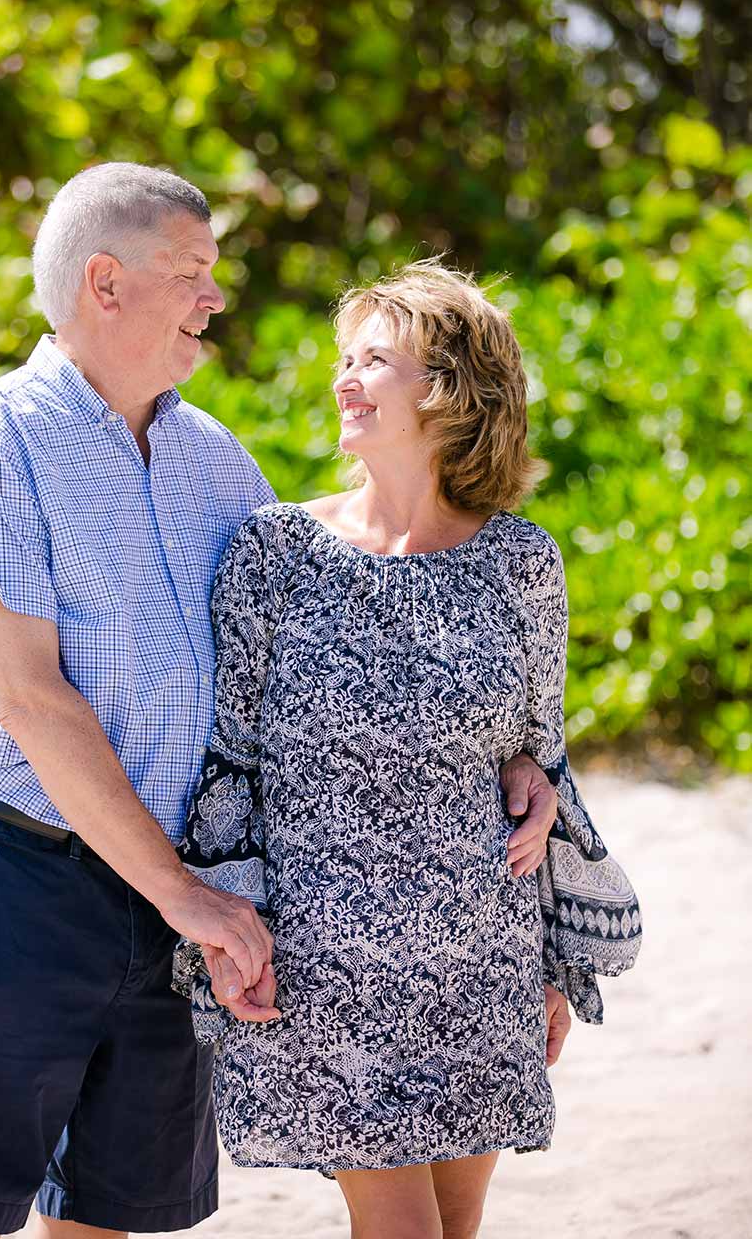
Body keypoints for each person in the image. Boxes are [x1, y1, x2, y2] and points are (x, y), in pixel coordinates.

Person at [0, 163, 561, 1239]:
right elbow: (30, 697)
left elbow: (328, 659)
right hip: (19, 870)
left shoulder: (216, 463)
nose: (215, 298)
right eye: (192, 273)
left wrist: (509, 753)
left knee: (110, 1209)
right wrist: (191, 900)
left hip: (175, 890)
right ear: (105, 284)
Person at [176, 259, 642, 1239]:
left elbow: (544, 764)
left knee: (452, 1230)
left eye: (375, 359)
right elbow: (232, 768)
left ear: (449, 392)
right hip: (326, 969)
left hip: (480, 962)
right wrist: (224, 931)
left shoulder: (522, 562)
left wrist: (552, 963)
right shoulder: (273, 551)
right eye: (346, 358)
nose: (345, 377)